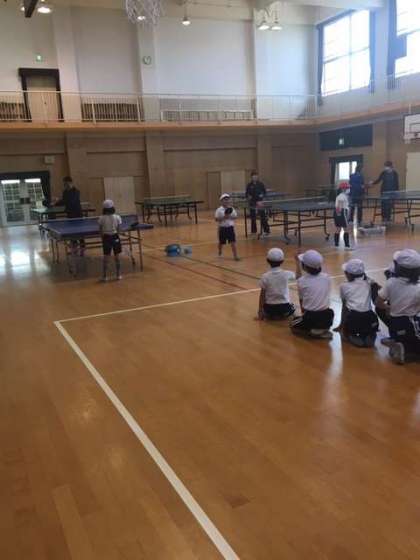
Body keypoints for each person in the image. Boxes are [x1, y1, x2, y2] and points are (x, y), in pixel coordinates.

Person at [375, 249, 420, 364]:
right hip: (409, 323)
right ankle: (403, 348)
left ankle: (397, 340)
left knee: (404, 336)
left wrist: (388, 308)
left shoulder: (391, 282)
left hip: (394, 323)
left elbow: (378, 303)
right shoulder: (418, 287)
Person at [290, 250, 334, 339]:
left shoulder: (302, 281)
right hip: (328, 316)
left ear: (305, 267)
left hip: (311, 317)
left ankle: (313, 331)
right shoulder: (327, 278)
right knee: (325, 314)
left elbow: (299, 280)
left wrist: (297, 262)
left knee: (292, 324)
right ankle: (322, 328)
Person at [335, 259, 379, 348]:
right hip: (370, 317)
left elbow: (345, 308)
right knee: (368, 325)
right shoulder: (370, 282)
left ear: (348, 274)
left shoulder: (344, 286)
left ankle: (352, 336)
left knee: (345, 333)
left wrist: (341, 325)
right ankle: (370, 334)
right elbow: (378, 287)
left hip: (354, 318)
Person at [256, 248, 296, 321]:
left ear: (267, 261)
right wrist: (298, 262)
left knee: (269, 310)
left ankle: (272, 315)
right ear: (282, 261)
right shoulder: (288, 274)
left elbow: (262, 295)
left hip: (269, 309)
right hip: (284, 308)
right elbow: (299, 277)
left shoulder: (265, 276)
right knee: (293, 307)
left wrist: (260, 311)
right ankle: (281, 315)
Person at [54, 176, 85, 255]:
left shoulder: (76, 191)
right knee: (72, 233)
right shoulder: (65, 192)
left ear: (71, 183)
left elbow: (71, 201)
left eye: (66, 184)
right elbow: (64, 201)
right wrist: (55, 203)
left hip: (78, 214)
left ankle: (82, 248)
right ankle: (74, 249)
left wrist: (59, 201)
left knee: (80, 232)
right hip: (70, 214)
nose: (65, 186)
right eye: (64, 184)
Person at [98, 199, 123, 281]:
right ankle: (118, 275)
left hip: (106, 238)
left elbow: (100, 230)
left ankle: (105, 276)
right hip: (115, 237)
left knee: (106, 258)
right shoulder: (117, 217)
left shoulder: (101, 218)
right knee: (117, 257)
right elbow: (119, 229)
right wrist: (117, 235)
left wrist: (103, 238)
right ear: (113, 207)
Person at [215, 193, 240, 261]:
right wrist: (224, 217)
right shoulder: (219, 210)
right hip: (222, 228)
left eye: (227, 199)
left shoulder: (232, 209)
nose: (226, 201)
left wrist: (230, 216)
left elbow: (235, 217)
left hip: (230, 228)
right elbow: (216, 219)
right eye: (225, 200)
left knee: (233, 242)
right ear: (221, 201)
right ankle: (220, 252)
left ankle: (235, 256)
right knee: (221, 243)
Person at [245, 171, 270, 237]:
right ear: (251, 177)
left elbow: (265, 192)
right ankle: (253, 231)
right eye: (253, 176)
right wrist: (248, 196)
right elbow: (246, 194)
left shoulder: (261, 184)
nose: (255, 177)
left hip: (259, 202)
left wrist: (262, 195)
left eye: (256, 176)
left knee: (263, 216)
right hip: (252, 202)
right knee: (253, 217)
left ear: (257, 177)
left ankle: (266, 231)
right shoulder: (249, 185)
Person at [333, 181, 351, 249]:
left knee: (338, 229)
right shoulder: (341, 196)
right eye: (347, 188)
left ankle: (336, 245)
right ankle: (347, 246)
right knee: (346, 229)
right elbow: (339, 206)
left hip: (338, 213)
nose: (348, 189)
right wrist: (340, 214)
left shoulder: (342, 196)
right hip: (342, 213)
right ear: (343, 189)